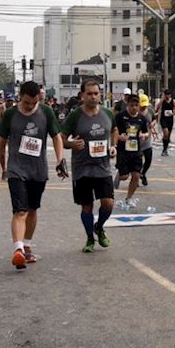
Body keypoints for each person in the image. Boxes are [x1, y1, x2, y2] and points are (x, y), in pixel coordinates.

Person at [0, 80, 67, 270]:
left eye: (34, 102)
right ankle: (18, 250)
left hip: (38, 170)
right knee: (20, 211)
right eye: (26, 103)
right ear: (19, 98)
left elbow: (56, 137)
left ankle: (27, 244)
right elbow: (1, 142)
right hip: (16, 170)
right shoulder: (10, 115)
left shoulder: (46, 112)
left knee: (32, 210)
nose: (31, 106)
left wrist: (60, 160)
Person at [61, 78, 118, 253]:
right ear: (82, 95)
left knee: (108, 203)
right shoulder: (75, 115)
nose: (93, 97)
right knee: (87, 205)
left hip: (102, 167)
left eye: (96, 93)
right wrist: (71, 144)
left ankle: (99, 227)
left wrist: (113, 145)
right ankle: (89, 238)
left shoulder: (107, 113)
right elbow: (61, 138)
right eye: (89, 94)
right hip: (82, 168)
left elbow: (114, 130)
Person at [115, 93, 150, 205]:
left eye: (136, 105)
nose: (134, 108)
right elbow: (113, 131)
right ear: (127, 105)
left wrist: (144, 135)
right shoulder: (120, 116)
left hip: (136, 151)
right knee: (124, 176)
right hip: (123, 150)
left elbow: (146, 132)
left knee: (136, 175)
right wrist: (120, 137)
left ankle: (129, 198)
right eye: (132, 105)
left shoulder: (141, 119)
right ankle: (117, 174)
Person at [157, 89, 175, 155]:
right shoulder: (162, 100)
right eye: (166, 95)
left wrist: (173, 113)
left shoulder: (173, 101)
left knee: (168, 135)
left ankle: (165, 149)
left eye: (168, 95)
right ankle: (164, 149)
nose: (167, 96)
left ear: (170, 95)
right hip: (163, 119)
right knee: (165, 133)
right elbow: (157, 107)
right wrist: (162, 99)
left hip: (170, 119)